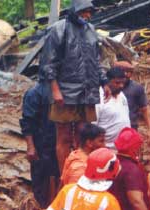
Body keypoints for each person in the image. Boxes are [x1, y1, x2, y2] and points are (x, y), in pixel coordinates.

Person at [40, 0, 107, 173]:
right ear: (75, 10)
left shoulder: (91, 31)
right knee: (63, 137)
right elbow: (48, 63)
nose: (87, 15)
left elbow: (96, 61)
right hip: (65, 91)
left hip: (87, 91)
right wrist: (55, 89)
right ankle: (65, 174)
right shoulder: (59, 29)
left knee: (83, 134)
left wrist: (103, 81)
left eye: (90, 12)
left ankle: (81, 169)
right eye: (84, 11)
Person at [20, 82, 59, 208]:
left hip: (56, 143)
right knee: (41, 179)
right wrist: (30, 146)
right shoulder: (34, 93)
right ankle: (40, 209)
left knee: (56, 177)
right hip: (40, 143)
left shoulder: (59, 91)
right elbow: (27, 122)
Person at [112, 61, 150, 146]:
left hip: (131, 130)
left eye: (129, 72)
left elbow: (145, 109)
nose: (127, 74)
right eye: (124, 71)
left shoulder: (136, 88)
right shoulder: (107, 88)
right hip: (112, 130)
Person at [94, 67, 130, 149]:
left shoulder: (122, 96)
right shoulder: (99, 97)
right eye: (117, 83)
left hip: (124, 148)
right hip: (106, 149)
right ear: (108, 81)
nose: (121, 86)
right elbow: (93, 127)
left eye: (123, 83)